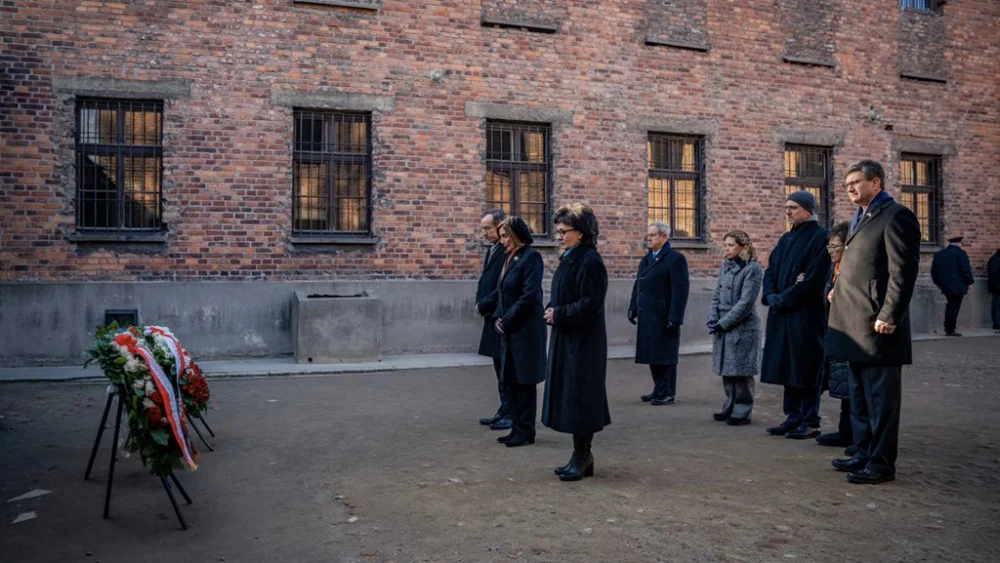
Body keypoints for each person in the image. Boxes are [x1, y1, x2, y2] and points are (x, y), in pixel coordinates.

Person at [827, 160, 921, 485]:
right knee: (860, 397)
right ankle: (863, 452)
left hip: (878, 327)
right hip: (854, 325)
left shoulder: (896, 217)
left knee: (880, 400)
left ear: (876, 183)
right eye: (847, 183)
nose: (850, 187)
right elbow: (863, 267)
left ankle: (881, 463)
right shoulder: (860, 217)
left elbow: (902, 272)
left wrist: (889, 314)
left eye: (856, 182)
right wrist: (837, 291)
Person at [542, 203, 610, 482]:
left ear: (581, 233)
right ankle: (581, 455)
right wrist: (551, 309)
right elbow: (563, 294)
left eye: (563, 231)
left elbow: (590, 304)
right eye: (557, 230)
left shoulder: (590, 261)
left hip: (584, 342)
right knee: (570, 395)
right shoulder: (570, 257)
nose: (558, 236)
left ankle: (583, 455)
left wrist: (558, 314)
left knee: (580, 396)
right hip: (568, 337)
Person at [760, 190, 831, 440]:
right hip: (782, 314)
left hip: (805, 316)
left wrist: (783, 299)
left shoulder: (821, 238)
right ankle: (792, 416)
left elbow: (813, 280)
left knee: (806, 367)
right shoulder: (786, 238)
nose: (788, 212)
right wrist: (770, 296)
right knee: (786, 365)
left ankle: (810, 420)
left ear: (808, 210)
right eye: (786, 208)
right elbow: (770, 271)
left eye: (793, 208)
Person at [492, 217, 546, 448]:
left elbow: (529, 295)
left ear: (517, 235)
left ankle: (526, 431)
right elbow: (503, 292)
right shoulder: (508, 258)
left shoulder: (531, 257)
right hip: (510, 330)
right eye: (501, 236)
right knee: (511, 379)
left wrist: (508, 319)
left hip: (525, 330)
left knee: (524, 382)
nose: (502, 241)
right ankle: (516, 427)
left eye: (505, 236)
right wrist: (498, 317)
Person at [627, 222, 689, 406]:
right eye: (649, 235)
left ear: (664, 237)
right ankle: (658, 389)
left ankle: (667, 392)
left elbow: (680, 290)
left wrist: (675, 317)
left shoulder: (675, 259)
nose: (649, 239)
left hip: (664, 316)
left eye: (653, 235)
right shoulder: (647, 259)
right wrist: (633, 307)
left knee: (666, 354)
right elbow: (638, 284)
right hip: (648, 315)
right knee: (652, 353)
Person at [707, 230, 763, 425]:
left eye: (731, 245)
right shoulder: (726, 266)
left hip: (743, 327)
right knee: (727, 368)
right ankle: (729, 405)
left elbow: (746, 302)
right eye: (726, 245)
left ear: (743, 246)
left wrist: (724, 323)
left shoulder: (752, 269)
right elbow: (716, 294)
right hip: (724, 325)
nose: (727, 249)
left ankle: (742, 409)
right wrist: (713, 317)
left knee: (741, 370)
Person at [815, 221, 854, 451]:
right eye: (828, 246)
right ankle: (845, 430)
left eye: (835, 246)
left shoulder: (851, 270)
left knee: (852, 386)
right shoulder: (835, 268)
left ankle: (854, 435)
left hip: (850, 334)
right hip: (835, 331)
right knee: (842, 384)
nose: (830, 251)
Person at [474, 209, 512, 431]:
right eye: (483, 229)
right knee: (498, 364)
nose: (485, 233)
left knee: (505, 364)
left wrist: (484, 304)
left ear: (500, 227)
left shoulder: (506, 251)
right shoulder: (493, 249)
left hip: (500, 314)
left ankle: (510, 411)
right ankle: (504, 408)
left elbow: (501, 286)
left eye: (488, 228)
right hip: (491, 313)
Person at [931, 236, 975, 337]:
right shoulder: (961, 253)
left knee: (950, 306)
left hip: (945, 286)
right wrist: (970, 282)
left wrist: (939, 284)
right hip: (958, 286)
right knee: (954, 307)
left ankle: (949, 328)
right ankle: (950, 329)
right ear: (959, 243)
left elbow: (934, 272)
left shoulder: (939, 254)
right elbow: (965, 269)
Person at [989, 248, 1000, 333]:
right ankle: (996, 323)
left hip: (997, 287)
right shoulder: (996, 260)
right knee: (997, 305)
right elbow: (993, 275)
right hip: (997, 288)